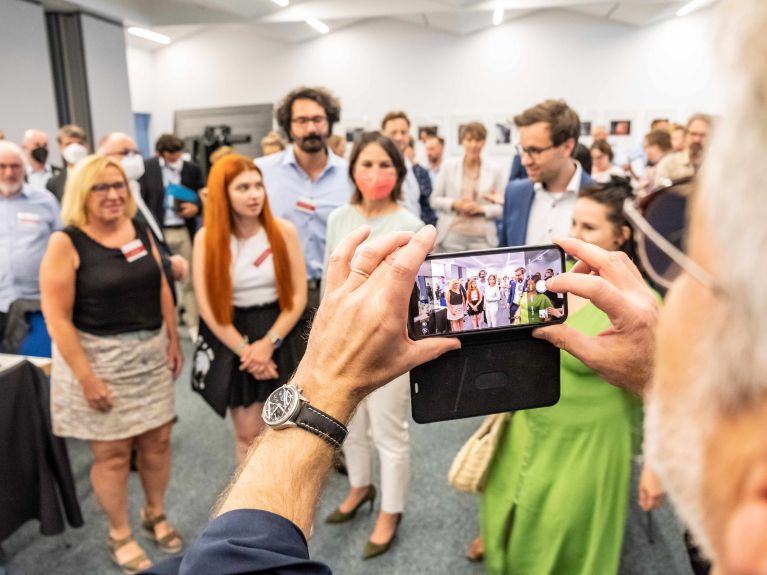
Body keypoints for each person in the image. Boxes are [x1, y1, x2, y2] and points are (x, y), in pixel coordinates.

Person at [483, 181, 643, 574]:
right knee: (505, 515)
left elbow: (660, 393)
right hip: (531, 423)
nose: (575, 235)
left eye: (589, 227)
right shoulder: (563, 281)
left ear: (621, 234)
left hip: (588, 443)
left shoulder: (640, 307)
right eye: (574, 222)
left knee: (563, 540)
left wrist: (653, 467)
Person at [40, 154, 183, 574]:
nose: (113, 194)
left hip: (149, 355)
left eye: (119, 185)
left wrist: (174, 338)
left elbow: (158, 281)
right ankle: (119, 531)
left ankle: (154, 513)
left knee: (158, 442)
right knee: (114, 455)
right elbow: (57, 318)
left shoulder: (138, 228)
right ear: (82, 192)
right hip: (97, 361)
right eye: (101, 187)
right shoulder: (65, 242)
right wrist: (86, 378)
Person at [322, 131, 423, 559]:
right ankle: (360, 487)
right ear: (352, 169)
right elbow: (334, 282)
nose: (375, 173)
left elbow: (414, 297)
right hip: (345, 341)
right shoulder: (339, 218)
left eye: (385, 165)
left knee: (389, 432)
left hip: (387, 343)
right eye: (366, 164)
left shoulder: (411, 225)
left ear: (398, 172)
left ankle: (390, 510)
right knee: (349, 426)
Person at [192, 154, 307, 464]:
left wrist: (268, 345)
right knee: (248, 436)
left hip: (281, 330)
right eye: (243, 188)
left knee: (291, 431)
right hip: (234, 334)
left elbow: (298, 296)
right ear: (222, 194)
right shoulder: (207, 239)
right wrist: (249, 353)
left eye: (258, 185)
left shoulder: (282, 231)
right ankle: (254, 509)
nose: (255, 194)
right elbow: (208, 307)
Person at [255, 86, 353, 315]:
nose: (310, 128)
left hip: (336, 292)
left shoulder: (351, 175)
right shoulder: (262, 171)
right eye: (301, 120)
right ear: (288, 126)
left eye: (318, 119)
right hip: (278, 292)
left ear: (329, 122)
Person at [500, 99, 593, 247]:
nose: (525, 161)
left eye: (534, 151)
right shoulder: (514, 193)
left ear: (567, 147)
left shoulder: (601, 199)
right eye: (523, 150)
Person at [140, 134, 204, 338]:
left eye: (178, 153)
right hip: (159, 232)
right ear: (161, 153)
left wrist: (196, 208)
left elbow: (203, 198)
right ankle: (170, 328)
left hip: (183, 230)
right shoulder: (147, 168)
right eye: (172, 154)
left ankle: (194, 326)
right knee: (163, 280)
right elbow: (142, 201)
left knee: (191, 280)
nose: (176, 157)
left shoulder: (191, 169)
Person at [0, 140, 61, 345]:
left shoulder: (45, 201)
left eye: (15, 166)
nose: (9, 173)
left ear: (24, 167)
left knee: (34, 369)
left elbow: (61, 246)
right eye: (2, 166)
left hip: (36, 305)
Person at [430, 122, 505, 252]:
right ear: (462, 141)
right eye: (469, 140)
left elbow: (503, 207)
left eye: (478, 140)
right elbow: (434, 200)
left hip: (483, 239)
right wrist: (455, 204)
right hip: (451, 235)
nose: (473, 145)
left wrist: (481, 209)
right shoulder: (449, 166)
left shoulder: (495, 170)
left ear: (484, 142)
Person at [381, 111, 437, 224]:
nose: (399, 137)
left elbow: (425, 206)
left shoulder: (415, 170)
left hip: (415, 234)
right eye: (393, 132)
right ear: (383, 135)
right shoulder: (376, 169)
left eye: (403, 132)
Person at [655, 114, 712, 180]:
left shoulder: (718, 167)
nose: (697, 139)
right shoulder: (669, 164)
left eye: (703, 135)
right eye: (693, 134)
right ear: (686, 135)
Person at [47, 124, 89, 202]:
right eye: (69, 144)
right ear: (61, 148)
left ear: (86, 146)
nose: (75, 148)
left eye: (79, 143)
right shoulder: (53, 183)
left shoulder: (99, 174)